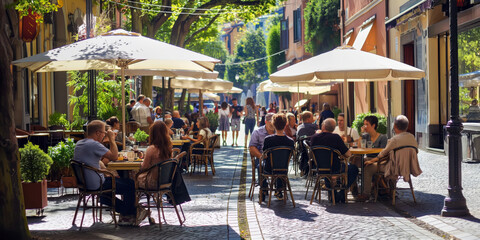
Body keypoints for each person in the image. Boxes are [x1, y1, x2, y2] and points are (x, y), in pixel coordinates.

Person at [73, 120, 148, 225]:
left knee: (106, 195)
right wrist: (112, 139)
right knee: (130, 184)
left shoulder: (80, 143)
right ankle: (131, 213)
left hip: (85, 183)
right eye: (103, 133)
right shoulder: (94, 144)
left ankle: (128, 213)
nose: (104, 135)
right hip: (97, 183)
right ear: (98, 133)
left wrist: (104, 169)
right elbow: (114, 156)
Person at [357, 115, 420, 202]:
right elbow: (416, 151)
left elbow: (382, 154)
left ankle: (366, 194)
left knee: (368, 168)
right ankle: (389, 190)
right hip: (408, 167)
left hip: (393, 168)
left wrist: (371, 161)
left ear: (395, 126)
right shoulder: (412, 138)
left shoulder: (394, 140)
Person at [309, 118, 359, 203]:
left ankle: (332, 194)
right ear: (332, 128)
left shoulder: (314, 138)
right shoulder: (335, 137)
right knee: (353, 169)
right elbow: (348, 154)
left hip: (319, 167)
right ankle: (342, 192)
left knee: (327, 168)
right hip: (335, 168)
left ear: (323, 126)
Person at [260, 113, 295, 200]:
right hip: (284, 168)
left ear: (273, 124)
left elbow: (264, 154)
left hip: (270, 168)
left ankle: (264, 190)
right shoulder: (290, 141)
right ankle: (279, 190)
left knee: (260, 166)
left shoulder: (268, 139)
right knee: (280, 163)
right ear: (285, 124)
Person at [137, 121, 173, 190]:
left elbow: (145, 167)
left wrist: (140, 163)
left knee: (132, 178)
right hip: (166, 181)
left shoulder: (151, 149)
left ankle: (131, 199)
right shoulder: (168, 147)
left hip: (152, 182)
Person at [249, 113, 275, 191]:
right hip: (262, 157)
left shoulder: (279, 131)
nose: (273, 125)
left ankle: (279, 188)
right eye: (271, 122)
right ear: (266, 122)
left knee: (281, 166)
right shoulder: (257, 132)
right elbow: (252, 147)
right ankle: (263, 187)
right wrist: (261, 156)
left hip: (276, 158)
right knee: (261, 165)